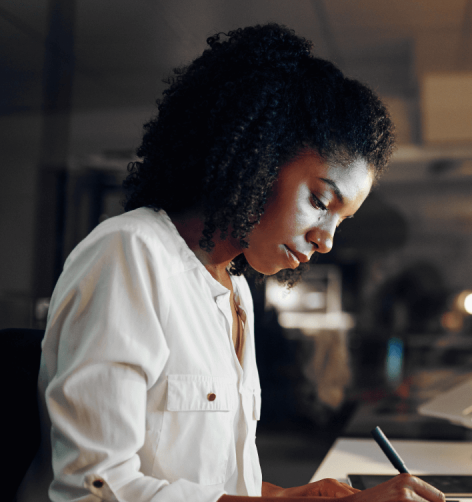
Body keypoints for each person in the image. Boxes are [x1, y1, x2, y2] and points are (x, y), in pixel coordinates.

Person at [39, 23, 445, 502]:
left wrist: (292, 497)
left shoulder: (235, 291)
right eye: (320, 201)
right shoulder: (131, 253)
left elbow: (216, 487)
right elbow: (92, 490)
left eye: (342, 220)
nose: (327, 240)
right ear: (259, 156)